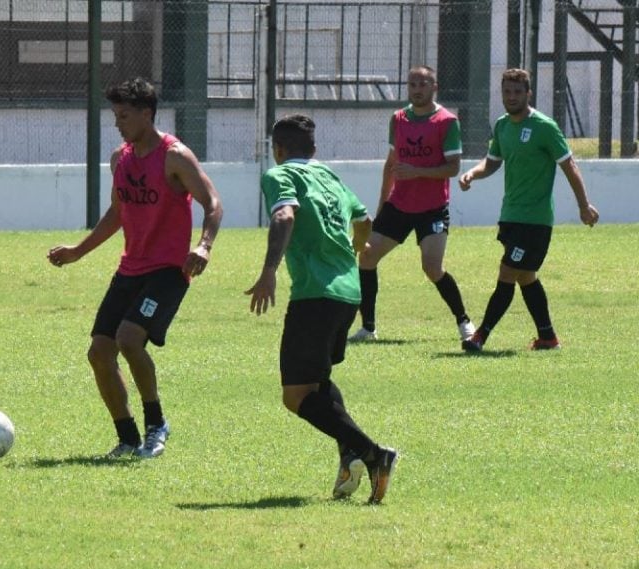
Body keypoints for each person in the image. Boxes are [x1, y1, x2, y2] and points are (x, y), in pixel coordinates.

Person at [47, 77, 223, 458]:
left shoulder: (175, 156)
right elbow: (117, 213)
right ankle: (127, 438)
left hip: (169, 271)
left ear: (147, 114)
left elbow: (212, 202)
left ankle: (156, 423)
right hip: (130, 269)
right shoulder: (120, 159)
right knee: (99, 352)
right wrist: (79, 251)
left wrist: (204, 246)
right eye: (115, 115)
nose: (118, 123)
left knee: (129, 339)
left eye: (124, 115)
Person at [245, 114, 397, 504]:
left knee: (295, 395)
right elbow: (364, 222)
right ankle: (350, 453)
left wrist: (268, 271)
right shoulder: (331, 178)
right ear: (313, 149)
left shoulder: (279, 176)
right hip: (348, 292)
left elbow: (284, 215)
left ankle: (373, 453)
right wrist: (354, 250)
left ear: (278, 149)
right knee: (317, 381)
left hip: (314, 294)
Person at [459, 68, 599, 352]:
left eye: (517, 92)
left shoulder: (544, 127)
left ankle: (480, 336)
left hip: (535, 222)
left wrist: (584, 206)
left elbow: (569, 165)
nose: (511, 97)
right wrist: (473, 173)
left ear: (528, 93)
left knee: (507, 271)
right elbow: (493, 161)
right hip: (510, 216)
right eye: (507, 92)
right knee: (526, 276)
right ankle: (547, 337)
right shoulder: (501, 125)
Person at [349, 65, 475, 343]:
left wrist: (417, 172)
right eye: (413, 85)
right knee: (367, 256)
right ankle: (368, 328)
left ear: (434, 87)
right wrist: (382, 205)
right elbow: (391, 164)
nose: (417, 90)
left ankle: (464, 321)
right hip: (399, 205)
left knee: (432, 268)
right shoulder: (398, 119)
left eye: (423, 84)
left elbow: (453, 168)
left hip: (432, 208)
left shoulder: (446, 121)